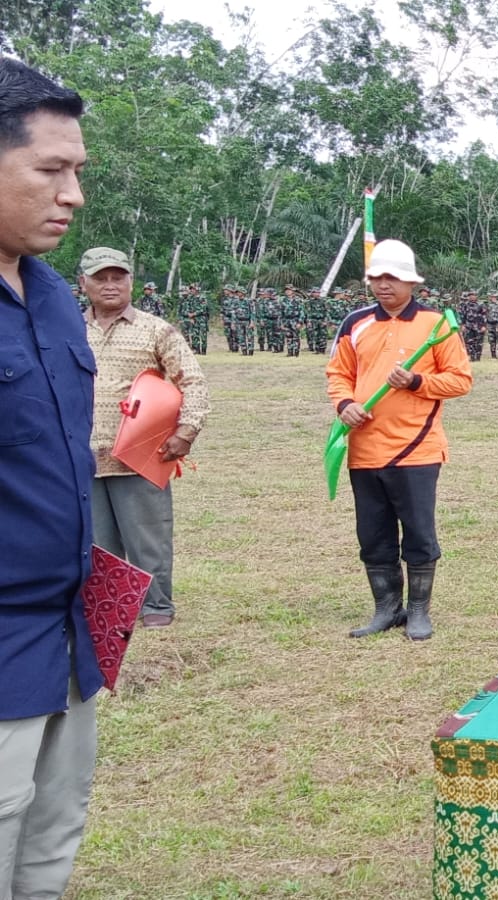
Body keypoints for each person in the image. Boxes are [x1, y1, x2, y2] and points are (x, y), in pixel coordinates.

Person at [0, 57, 102, 898]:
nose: (73, 195)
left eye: (78, 171)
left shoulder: (55, 296)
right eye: (50, 170)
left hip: (69, 636)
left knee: (50, 842)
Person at [326, 239, 473, 641]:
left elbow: (460, 380)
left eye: (391, 277)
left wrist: (416, 381)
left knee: (419, 534)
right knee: (373, 535)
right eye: (376, 277)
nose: (383, 284)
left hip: (416, 449)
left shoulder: (436, 325)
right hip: (364, 450)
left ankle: (419, 611)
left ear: (411, 281)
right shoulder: (355, 323)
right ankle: (387, 609)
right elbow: (338, 374)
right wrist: (344, 404)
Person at [80, 247, 212, 627]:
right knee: (96, 542)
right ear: (84, 283)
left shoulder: (156, 329)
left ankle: (156, 607)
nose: (110, 285)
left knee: (147, 538)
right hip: (82, 457)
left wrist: (186, 431)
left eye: (118, 277)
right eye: (100, 278)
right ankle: (109, 608)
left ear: (131, 282)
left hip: (139, 455)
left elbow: (193, 381)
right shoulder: (67, 329)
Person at [484, 290, 498, 360]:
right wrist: (485, 325)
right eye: (490, 296)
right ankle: (493, 355)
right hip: (490, 324)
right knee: (491, 340)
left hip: (497, 324)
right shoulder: (487, 305)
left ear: (495, 297)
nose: (491, 297)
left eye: (492, 296)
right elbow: (485, 315)